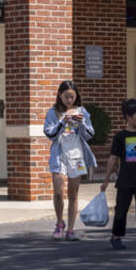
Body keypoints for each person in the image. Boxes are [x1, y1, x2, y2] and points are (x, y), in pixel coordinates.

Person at [99, 98, 136, 252]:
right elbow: (113, 158)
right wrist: (105, 181)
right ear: (128, 117)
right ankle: (116, 236)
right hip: (125, 180)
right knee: (121, 210)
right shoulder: (120, 137)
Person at [44, 80, 95, 241]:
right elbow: (50, 134)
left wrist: (81, 123)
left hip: (76, 155)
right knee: (58, 192)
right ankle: (60, 222)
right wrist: (63, 121)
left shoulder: (82, 111)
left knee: (73, 193)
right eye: (66, 97)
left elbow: (90, 135)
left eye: (72, 97)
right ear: (60, 95)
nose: (69, 100)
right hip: (59, 155)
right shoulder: (53, 112)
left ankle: (71, 229)